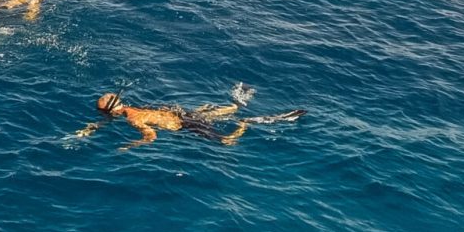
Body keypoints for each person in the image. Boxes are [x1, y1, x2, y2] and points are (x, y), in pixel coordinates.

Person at [80, 90, 302, 150]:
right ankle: (233, 106)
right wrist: (92, 128)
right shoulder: (131, 107)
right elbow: (109, 119)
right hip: (180, 113)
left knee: (226, 141)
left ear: (112, 112)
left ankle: (244, 123)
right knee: (205, 114)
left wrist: (130, 146)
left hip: (183, 125)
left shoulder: (133, 120)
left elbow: (152, 136)